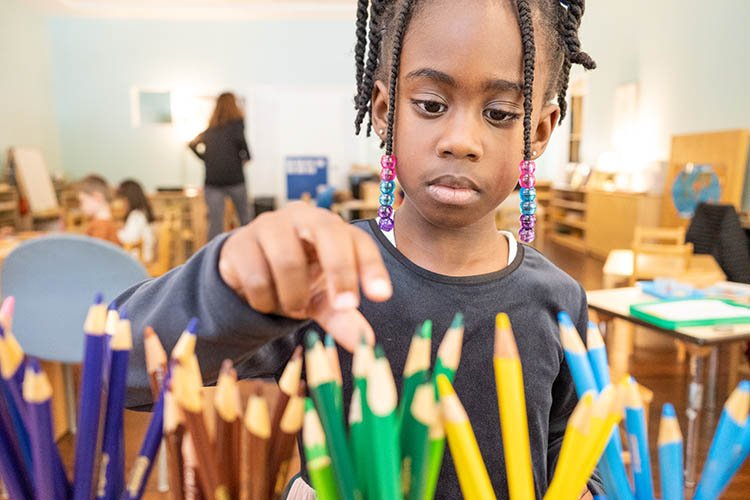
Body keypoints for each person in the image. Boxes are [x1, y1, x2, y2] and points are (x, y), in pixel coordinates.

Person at [121, 1, 600, 497]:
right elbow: (124, 371)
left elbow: (569, 440)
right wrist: (229, 286)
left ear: (539, 131)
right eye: (431, 105)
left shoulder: (560, 300)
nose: (461, 141)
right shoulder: (327, 275)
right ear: (384, 110)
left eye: (500, 113)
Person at [189, 92, 252, 240]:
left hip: (213, 181)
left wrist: (205, 159)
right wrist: (245, 158)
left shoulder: (211, 129)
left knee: (215, 223)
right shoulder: (237, 124)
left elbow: (192, 144)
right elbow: (243, 146)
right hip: (235, 179)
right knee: (244, 218)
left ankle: (212, 258)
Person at [116, 179, 156, 263]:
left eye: (122, 199)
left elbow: (128, 240)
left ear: (128, 198)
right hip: (142, 258)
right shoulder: (141, 213)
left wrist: (115, 231)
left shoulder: (136, 216)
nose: (121, 204)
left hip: (140, 260)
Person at [77, 174, 119, 245]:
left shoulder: (101, 227)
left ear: (97, 197)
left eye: (83, 201)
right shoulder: (104, 222)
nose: (81, 206)